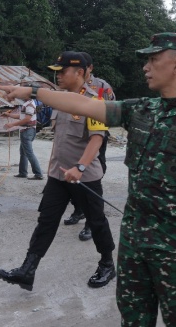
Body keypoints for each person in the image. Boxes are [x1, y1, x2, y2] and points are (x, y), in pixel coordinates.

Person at [0, 33, 176, 325]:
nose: (145, 67)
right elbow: (81, 104)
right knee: (133, 320)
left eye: (152, 60)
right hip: (135, 245)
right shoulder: (140, 110)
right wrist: (32, 92)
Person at [0, 51, 116, 291]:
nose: (57, 76)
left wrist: (80, 167)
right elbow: (40, 118)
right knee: (46, 221)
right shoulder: (59, 100)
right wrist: (13, 112)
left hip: (85, 177)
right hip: (58, 176)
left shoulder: (96, 101)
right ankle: (27, 270)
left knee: (97, 221)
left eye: (62, 72)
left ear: (79, 72)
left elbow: (97, 141)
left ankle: (107, 264)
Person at [61, 51, 116, 242]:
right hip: (73, 138)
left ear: (88, 69)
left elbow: (108, 109)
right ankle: (78, 211)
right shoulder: (67, 87)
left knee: (90, 178)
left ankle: (90, 223)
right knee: (70, 177)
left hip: (95, 135)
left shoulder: (101, 87)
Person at [2, 88, 43, 180]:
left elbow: (27, 119)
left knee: (29, 153)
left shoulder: (29, 105)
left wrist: (12, 124)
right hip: (26, 131)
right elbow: (21, 116)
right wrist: (8, 115)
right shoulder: (27, 104)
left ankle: (38, 174)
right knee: (23, 153)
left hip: (27, 131)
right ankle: (22, 172)